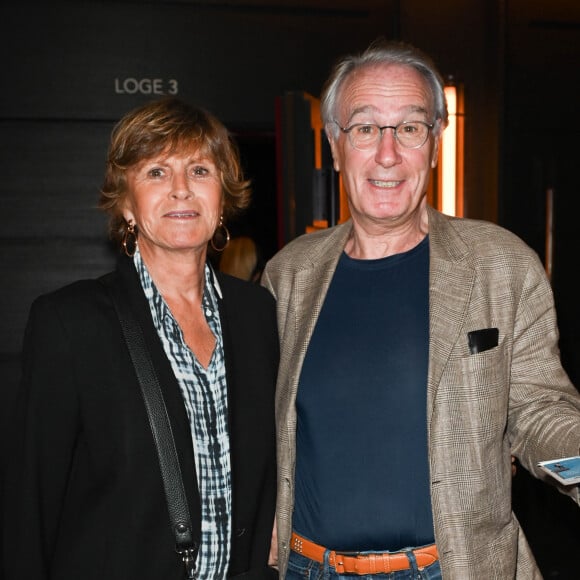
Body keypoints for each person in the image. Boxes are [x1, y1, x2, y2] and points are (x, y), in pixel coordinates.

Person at [261, 38, 580, 579]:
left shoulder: (501, 265)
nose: (388, 154)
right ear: (335, 146)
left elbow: (537, 410)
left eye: (410, 128)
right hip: (306, 568)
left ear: (435, 144)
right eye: (365, 129)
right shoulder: (287, 275)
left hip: (450, 570)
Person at [2, 97, 279, 580]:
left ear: (222, 197)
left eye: (199, 171)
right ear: (126, 203)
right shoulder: (70, 324)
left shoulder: (260, 315)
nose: (180, 191)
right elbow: (31, 509)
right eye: (155, 172)